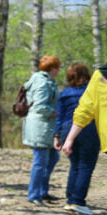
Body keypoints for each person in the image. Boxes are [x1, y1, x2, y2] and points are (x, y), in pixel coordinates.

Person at [56, 62, 101, 215]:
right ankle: (78, 201)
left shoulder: (64, 93)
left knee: (75, 165)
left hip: (66, 129)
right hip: (88, 128)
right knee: (86, 165)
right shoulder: (92, 90)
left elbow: (59, 116)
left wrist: (57, 135)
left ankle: (70, 199)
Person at [23, 56, 61, 205]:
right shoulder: (42, 82)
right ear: (52, 68)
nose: (59, 70)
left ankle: (42, 191)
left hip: (46, 126)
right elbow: (39, 105)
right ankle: (34, 195)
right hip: (40, 126)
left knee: (53, 158)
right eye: (58, 67)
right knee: (40, 161)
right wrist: (56, 112)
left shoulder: (47, 81)